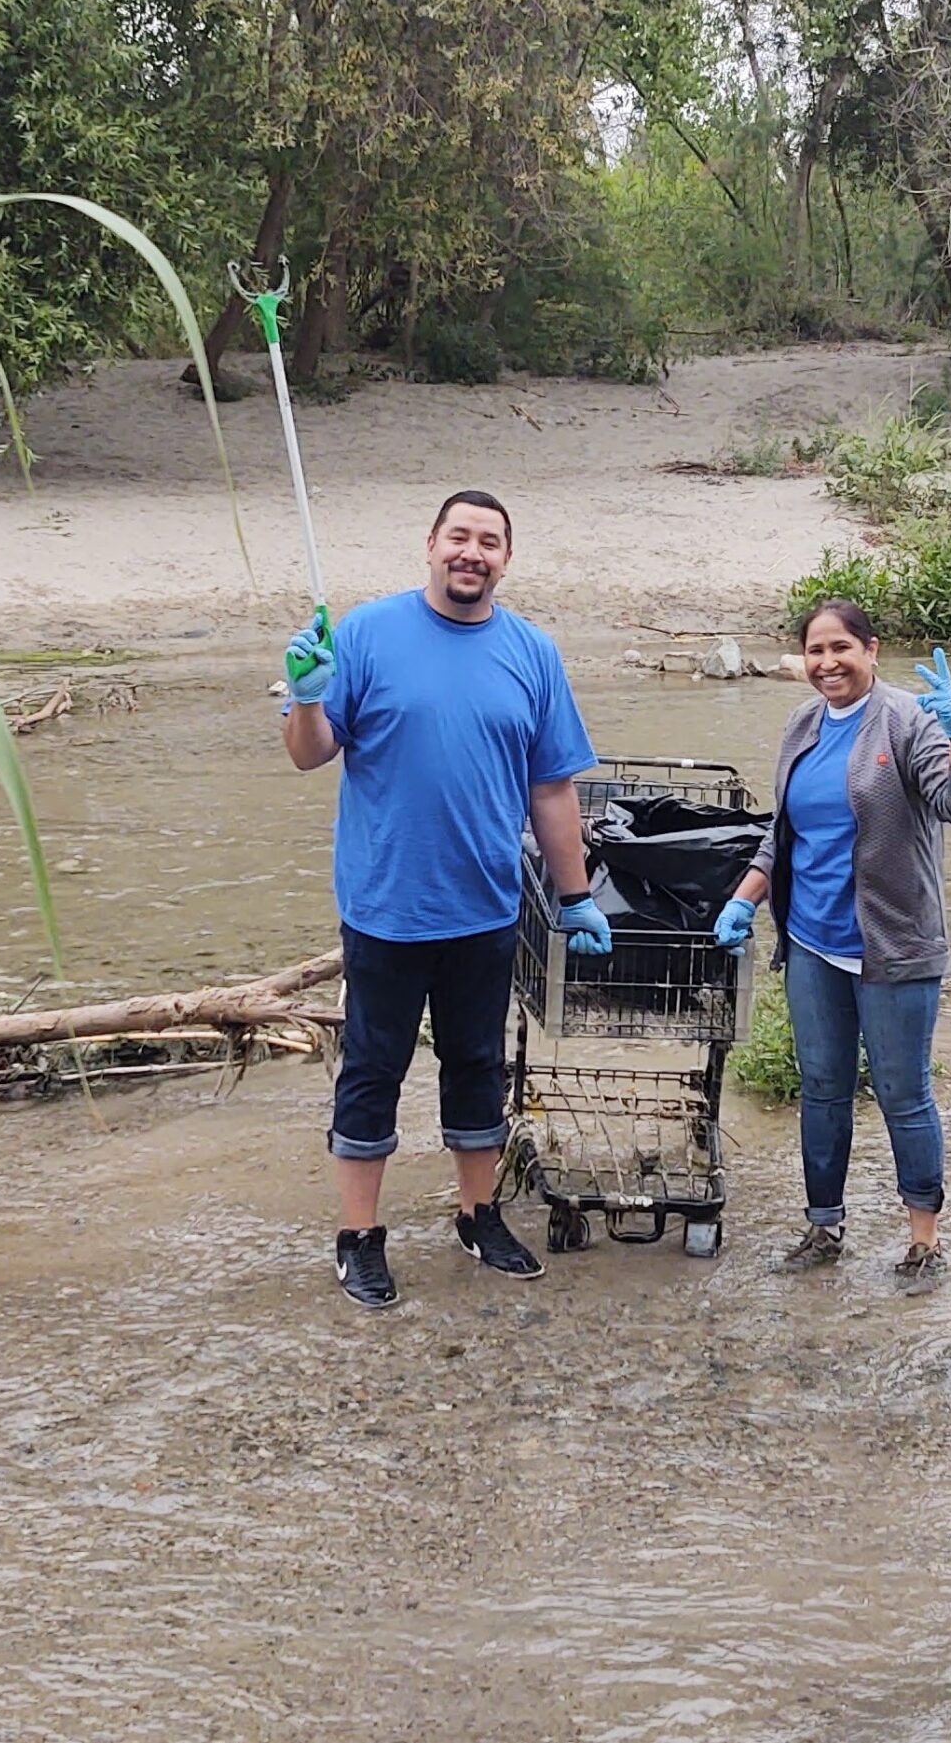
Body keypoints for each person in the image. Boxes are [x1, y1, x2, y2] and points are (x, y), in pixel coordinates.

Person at [280, 489, 609, 1308]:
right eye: (458, 536)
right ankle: (358, 1237)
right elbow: (308, 754)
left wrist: (576, 896)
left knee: (475, 1067)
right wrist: (311, 694)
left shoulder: (531, 652)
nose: (472, 551)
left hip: (486, 908)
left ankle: (478, 1213)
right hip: (385, 907)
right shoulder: (363, 634)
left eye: (489, 541)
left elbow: (553, 788)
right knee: (373, 1070)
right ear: (430, 544)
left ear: (506, 559)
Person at [711, 598, 951, 1292]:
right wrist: (744, 899)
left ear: (871, 650)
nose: (828, 663)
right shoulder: (802, 724)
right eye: (815, 651)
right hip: (812, 942)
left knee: (903, 1093)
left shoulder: (908, 720)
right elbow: (785, 832)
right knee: (823, 1090)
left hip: (893, 946)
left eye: (841, 648)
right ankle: (823, 1226)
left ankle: (924, 1240)